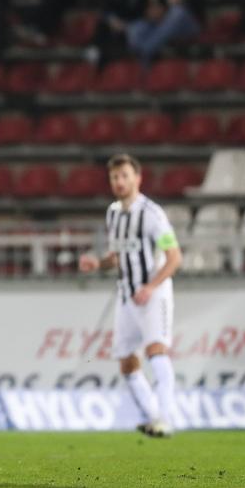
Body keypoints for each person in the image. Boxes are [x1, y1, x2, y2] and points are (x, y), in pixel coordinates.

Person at [79, 154, 182, 438]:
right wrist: (98, 263)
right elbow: (117, 256)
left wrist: (151, 286)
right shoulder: (113, 213)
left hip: (154, 295)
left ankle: (165, 417)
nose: (120, 182)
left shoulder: (152, 214)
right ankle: (152, 418)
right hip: (126, 297)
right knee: (127, 362)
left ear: (138, 178)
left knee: (155, 351)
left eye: (125, 176)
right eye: (114, 177)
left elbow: (174, 257)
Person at [85, 0, 146, 69]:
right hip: (114, 24)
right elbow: (104, 9)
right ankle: (94, 50)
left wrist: (126, 24)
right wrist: (112, 20)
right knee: (103, 28)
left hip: (132, 26)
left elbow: (142, 13)